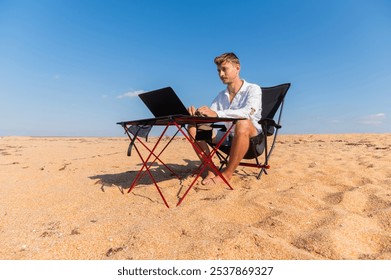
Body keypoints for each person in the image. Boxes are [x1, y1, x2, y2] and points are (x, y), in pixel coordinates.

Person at [187, 52, 262, 185]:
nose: (221, 74)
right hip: (227, 138)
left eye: (224, 69)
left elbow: (248, 113)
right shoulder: (221, 95)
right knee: (193, 127)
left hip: (252, 140)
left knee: (242, 122)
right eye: (218, 71)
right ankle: (210, 170)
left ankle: (227, 174)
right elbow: (212, 117)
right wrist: (199, 115)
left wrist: (216, 114)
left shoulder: (253, 89)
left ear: (237, 68)